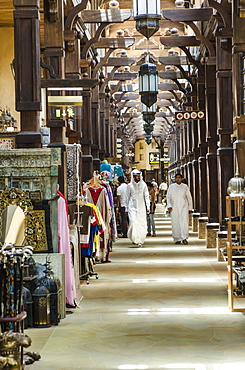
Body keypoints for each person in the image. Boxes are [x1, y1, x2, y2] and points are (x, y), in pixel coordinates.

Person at [166, 173, 193, 245]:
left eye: (179, 178)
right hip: (174, 207)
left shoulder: (185, 187)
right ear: (175, 179)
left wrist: (190, 207)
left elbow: (189, 198)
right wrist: (169, 205)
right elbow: (168, 197)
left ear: (181, 179)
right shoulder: (171, 187)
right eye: (176, 178)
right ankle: (177, 238)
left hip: (184, 207)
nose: (178, 179)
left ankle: (184, 238)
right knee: (175, 223)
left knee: (184, 223)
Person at [126, 169, 150, 246]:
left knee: (141, 223)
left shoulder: (144, 185)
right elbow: (127, 197)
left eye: (138, 176)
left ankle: (139, 239)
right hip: (132, 206)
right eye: (136, 176)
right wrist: (126, 208)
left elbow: (146, 196)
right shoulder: (129, 186)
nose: (137, 177)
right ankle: (134, 237)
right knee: (133, 222)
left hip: (141, 207)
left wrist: (148, 206)